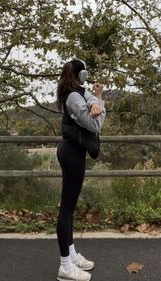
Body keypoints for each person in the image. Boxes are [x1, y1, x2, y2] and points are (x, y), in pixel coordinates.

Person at [56, 58, 106, 281]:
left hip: (75, 153)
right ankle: (65, 266)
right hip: (71, 154)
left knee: (70, 208)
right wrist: (99, 106)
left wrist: (97, 100)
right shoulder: (74, 96)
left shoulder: (79, 92)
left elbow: (90, 100)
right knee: (66, 210)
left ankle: (72, 255)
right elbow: (95, 124)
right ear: (81, 74)